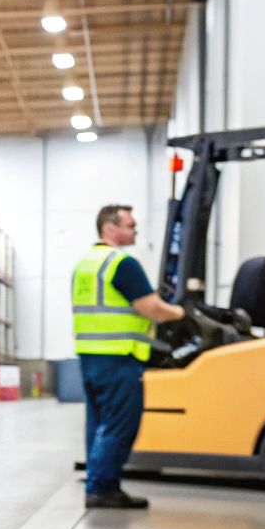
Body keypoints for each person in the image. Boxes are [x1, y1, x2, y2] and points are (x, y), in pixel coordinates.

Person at [71, 204, 185, 509]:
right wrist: (180, 312)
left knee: (99, 424)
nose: (135, 231)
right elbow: (151, 308)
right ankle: (101, 488)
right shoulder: (121, 263)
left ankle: (99, 483)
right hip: (119, 357)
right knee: (121, 425)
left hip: (89, 357)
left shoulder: (85, 264)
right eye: (130, 226)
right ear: (110, 228)